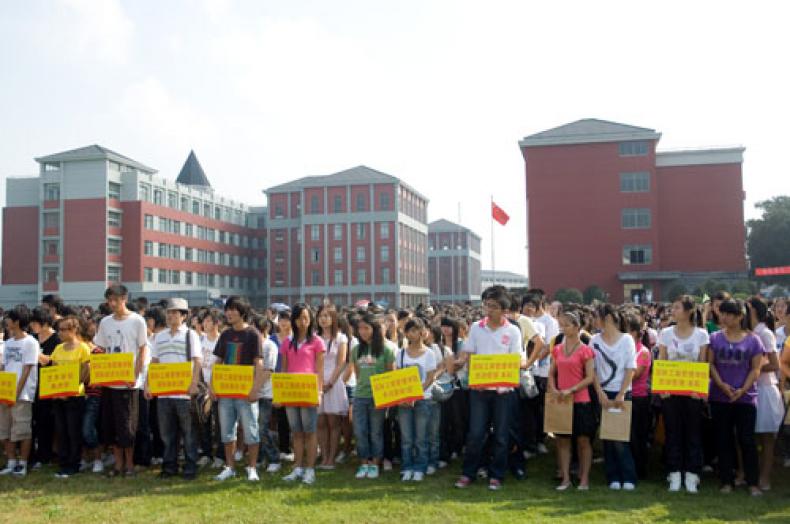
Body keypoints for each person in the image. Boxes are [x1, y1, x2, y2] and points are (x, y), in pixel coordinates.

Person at [453, 286, 523, 491]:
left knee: (501, 435)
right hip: (480, 390)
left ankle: (497, 474)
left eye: (493, 306)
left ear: (504, 309)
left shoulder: (512, 331)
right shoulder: (476, 327)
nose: (488, 310)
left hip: (503, 391)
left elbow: (516, 358)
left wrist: (518, 365)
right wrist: (459, 361)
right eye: (486, 305)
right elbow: (467, 352)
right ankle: (468, 473)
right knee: (476, 433)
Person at [708, 299, 764, 496]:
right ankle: (726, 481)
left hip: (746, 398)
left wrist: (742, 389)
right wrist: (722, 385)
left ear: (740, 316)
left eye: (729, 314)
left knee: (747, 441)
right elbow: (710, 364)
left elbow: (756, 368)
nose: (724, 317)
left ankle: (753, 482)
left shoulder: (753, 340)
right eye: (722, 313)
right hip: (719, 397)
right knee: (723, 440)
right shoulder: (714, 338)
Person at [93, 285, 148, 478]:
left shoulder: (137, 321)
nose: (112, 304)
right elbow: (99, 349)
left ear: (124, 298)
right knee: (111, 426)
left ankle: (130, 465)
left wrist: (135, 374)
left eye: (115, 299)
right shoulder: (105, 322)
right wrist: (98, 374)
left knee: (128, 425)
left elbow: (142, 349)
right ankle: (117, 465)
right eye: (109, 300)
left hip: (128, 383)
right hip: (109, 381)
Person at [145, 298, 202, 480]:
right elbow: (154, 362)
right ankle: (169, 466)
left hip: (184, 393)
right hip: (164, 393)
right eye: (169, 312)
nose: (171, 316)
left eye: (175, 313)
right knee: (166, 433)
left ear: (184, 316)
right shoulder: (159, 337)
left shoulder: (190, 335)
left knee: (188, 433)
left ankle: (190, 467)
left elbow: (197, 360)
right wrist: (148, 384)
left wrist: (194, 383)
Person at [657, 296, 709, 493]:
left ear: (688, 311)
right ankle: (674, 472)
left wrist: (700, 390)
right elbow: (661, 361)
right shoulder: (666, 333)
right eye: (673, 307)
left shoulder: (701, 335)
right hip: (671, 392)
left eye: (677, 307)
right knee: (672, 432)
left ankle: (692, 474)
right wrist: (663, 388)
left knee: (693, 432)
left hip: (693, 393)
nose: (673, 311)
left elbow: (703, 364)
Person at [211, 296, 265, 482]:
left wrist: (255, 389)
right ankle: (230, 466)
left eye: (233, 309)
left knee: (251, 430)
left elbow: (259, 363)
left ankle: (252, 467)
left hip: (246, 392)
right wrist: (212, 386)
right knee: (227, 431)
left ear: (242, 312)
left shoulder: (253, 334)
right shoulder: (225, 335)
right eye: (227, 309)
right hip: (226, 391)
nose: (229, 313)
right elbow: (217, 361)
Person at [591, 304, 638, 491]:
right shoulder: (594, 340)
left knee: (620, 438)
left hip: (622, 393)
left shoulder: (626, 340)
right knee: (607, 437)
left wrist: (621, 393)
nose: (594, 320)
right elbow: (592, 369)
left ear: (608, 318)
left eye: (597, 316)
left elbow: (630, 368)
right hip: (602, 393)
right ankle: (612, 477)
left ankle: (628, 476)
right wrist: (599, 392)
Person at [548, 311, 596, 491]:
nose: (563, 328)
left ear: (577, 327)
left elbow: (590, 377)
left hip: (581, 400)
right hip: (561, 400)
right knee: (562, 440)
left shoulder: (586, 350)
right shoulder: (558, 348)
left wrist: (572, 389)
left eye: (567, 325)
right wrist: (553, 388)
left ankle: (584, 479)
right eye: (562, 325)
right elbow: (552, 372)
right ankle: (566, 478)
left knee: (583, 441)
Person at [279, 303, 325, 485]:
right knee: (296, 431)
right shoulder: (286, 343)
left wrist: (319, 392)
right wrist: (281, 394)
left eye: (306, 318)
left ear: (310, 319)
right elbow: (283, 369)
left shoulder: (317, 342)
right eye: (299, 318)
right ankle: (297, 467)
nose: (302, 322)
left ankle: (310, 469)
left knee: (310, 431)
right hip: (291, 392)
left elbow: (320, 370)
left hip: (308, 391)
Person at [351, 314, 396, 479]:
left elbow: (391, 375)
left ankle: (375, 464)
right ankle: (364, 463)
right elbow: (357, 374)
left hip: (378, 397)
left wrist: (384, 399)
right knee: (360, 431)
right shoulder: (356, 350)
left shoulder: (386, 349)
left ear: (374, 329)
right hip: (360, 396)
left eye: (366, 328)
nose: (362, 331)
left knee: (376, 432)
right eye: (360, 328)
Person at [48, 315, 91, 478]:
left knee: (73, 431)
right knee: (61, 430)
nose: (60, 333)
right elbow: (53, 370)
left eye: (64, 330)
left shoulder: (83, 348)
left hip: (75, 396)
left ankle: (74, 463)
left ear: (73, 330)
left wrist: (70, 388)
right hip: (58, 397)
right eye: (59, 330)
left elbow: (85, 372)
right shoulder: (58, 349)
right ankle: (63, 462)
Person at [0, 306, 40, 477]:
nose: (6, 321)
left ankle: (22, 463)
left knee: (22, 429)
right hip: (5, 392)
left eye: (9, 318)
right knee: (5, 430)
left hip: (22, 394)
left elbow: (26, 370)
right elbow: (3, 367)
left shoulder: (30, 342)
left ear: (17, 322)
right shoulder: (7, 344)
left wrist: (16, 392)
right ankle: (11, 461)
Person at [396, 318, 437, 482]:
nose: (414, 334)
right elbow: (398, 377)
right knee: (406, 437)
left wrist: (415, 394)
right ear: (406, 333)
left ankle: (420, 467)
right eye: (410, 330)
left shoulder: (429, 353)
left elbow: (429, 378)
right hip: (404, 401)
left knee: (421, 437)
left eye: (417, 330)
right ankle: (407, 467)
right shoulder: (401, 353)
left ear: (423, 332)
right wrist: (405, 396)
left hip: (423, 399)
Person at [748, 296, 783, 491]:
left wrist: (752, 369)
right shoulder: (748, 332)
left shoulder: (765, 334)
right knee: (747, 436)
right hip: (750, 389)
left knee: (766, 438)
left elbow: (775, 365)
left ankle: (765, 477)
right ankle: (748, 474)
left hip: (764, 389)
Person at [316, 305, 348, 471]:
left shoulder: (341, 338)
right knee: (320, 422)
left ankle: (331, 458)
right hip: (317, 382)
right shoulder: (314, 337)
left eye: (327, 316)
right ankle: (324, 455)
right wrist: (320, 383)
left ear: (334, 318)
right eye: (321, 316)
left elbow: (341, 362)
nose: (323, 319)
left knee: (333, 422)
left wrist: (330, 382)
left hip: (334, 383)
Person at [28, 307, 59, 468]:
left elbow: (56, 361)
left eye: (35, 323)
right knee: (31, 422)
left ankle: (45, 455)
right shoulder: (32, 338)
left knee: (45, 422)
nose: (32, 326)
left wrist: (41, 356)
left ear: (45, 323)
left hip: (49, 385)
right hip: (31, 383)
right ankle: (31, 455)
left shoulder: (56, 339)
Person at [253, 317, 280, 474]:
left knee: (263, 428)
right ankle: (260, 457)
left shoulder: (269, 346)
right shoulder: (252, 345)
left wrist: (256, 388)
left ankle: (274, 458)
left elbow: (268, 371)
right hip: (252, 393)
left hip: (266, 394)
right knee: (254, 428)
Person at [198, 309, 224, 468]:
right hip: (202, 387)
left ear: (216, 323)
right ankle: (206, 453)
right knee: (203, 422)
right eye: (204, 321)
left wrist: (214, 386)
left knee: (220, 423)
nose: (205, 324)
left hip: (218, 388)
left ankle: (220, 455)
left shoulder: (222, 340)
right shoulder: (199, 340)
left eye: (208, 321)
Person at [627, 313, 652, 481]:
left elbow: (634, 375)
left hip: (638, 398)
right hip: (625, 397)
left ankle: (639, 470)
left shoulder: (643, 352)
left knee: (637, 436)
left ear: (635, 332)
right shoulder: (624, 348)